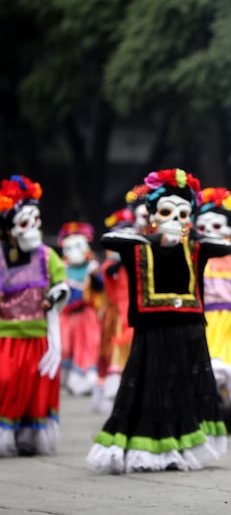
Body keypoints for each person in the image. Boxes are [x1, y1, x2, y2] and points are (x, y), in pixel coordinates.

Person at [87, 168, 231, 473]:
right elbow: (108, 239)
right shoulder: (138, 245)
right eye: (167, 211)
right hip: (153, 330)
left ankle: (187, 444)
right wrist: (153, 237)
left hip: (189, 327)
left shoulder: (196, 246)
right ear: (152, 215)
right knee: (153, 384)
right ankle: (150, 448)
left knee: (186, 385)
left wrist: (189, 234)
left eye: (183, 212)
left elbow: (225, 246)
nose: (175, 218)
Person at [0, 175, 69, 457]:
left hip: (39, 338)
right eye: (25, 223)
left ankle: (29, 437)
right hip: (6, 338)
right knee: (5, 384)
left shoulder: (46, 255)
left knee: (36, 391)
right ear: (9, 229)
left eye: (36, 221)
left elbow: (61, 283)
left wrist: (54, 296)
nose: (33, 229)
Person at [195, 187, 231, 431]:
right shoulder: (194, 256)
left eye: (216, 227)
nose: (208, 233)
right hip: (205, 321)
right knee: (208, 368)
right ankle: (208, 414)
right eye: (202, 228)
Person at [91, 207, 136, 414]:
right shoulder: (111, 266)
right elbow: (106, 276)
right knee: (112, 356)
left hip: (135, 315)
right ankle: (111, 396)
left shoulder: (137, 263)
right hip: (117, 316)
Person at [57, 221, 103, 396]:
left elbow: (100, 287)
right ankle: (65, 379)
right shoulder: (62, 267)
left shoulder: (92, 267)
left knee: (88, 346)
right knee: (65, 347)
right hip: (66, 315)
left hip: (86, 314)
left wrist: (95, 275)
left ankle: (85, 379)